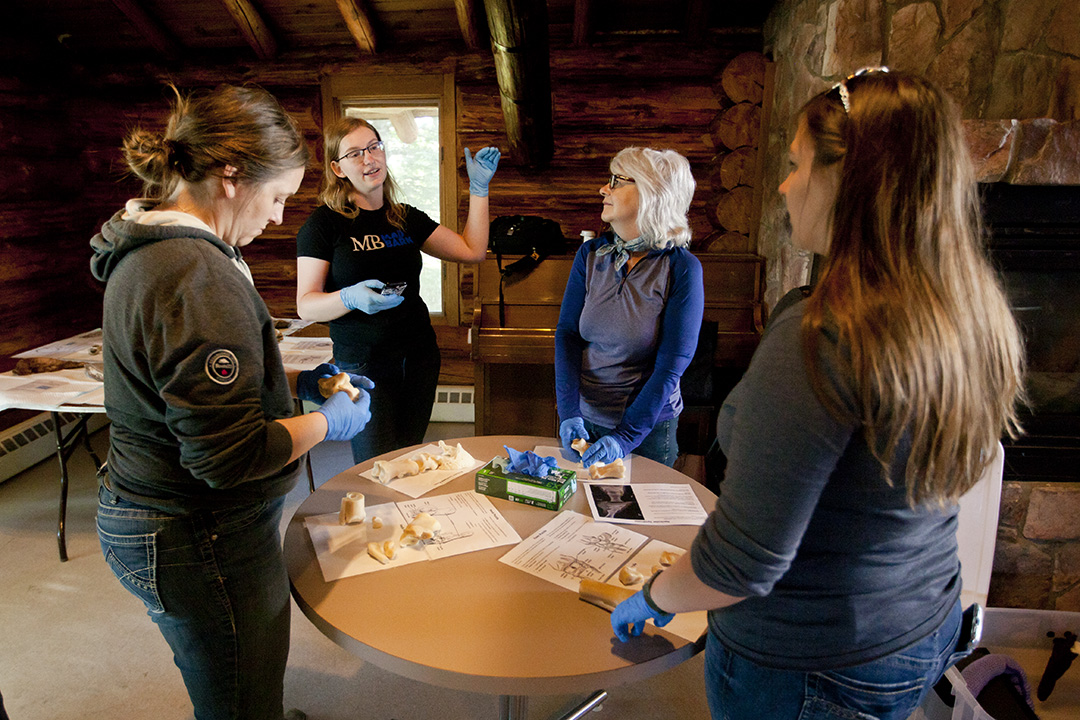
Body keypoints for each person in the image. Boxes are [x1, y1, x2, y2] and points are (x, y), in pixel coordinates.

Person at [608, 69, 1027, 720]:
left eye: (798, 164)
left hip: (813, 667)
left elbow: (742, 563)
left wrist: (659, 596)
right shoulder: (969, 312)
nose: (783, 185)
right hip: (922, 622)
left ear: (846, 179)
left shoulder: (824, 335)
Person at [90, 84, 373, 720]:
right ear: (231, 176)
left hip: (157, 514)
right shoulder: (194, 273)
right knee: (240, 687)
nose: (277, 218)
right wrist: (329, 420)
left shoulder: (159, 252)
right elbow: (229, 454)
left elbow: (188, 387)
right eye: (276, 198)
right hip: (196, 531)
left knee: (225, 667)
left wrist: (294, 387)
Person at [296, 116, 500, 464]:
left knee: (408, 457)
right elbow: (306, 305)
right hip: (365, 363)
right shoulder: (323, 225)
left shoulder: (405, 217)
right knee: (375, 463)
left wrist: (479, 191)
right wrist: (348, 297)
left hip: (418, 356)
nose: (369, 159)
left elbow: (472, 251)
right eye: (356, 153)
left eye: (375, 147)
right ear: (337, 168)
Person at [556, 147, 704, 469]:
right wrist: (569, 414)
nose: (604, 189)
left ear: (652, 194)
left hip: (647, 429)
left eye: (616, 181)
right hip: (585, 418)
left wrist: (625, 437)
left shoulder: (681, 268)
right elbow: (567, 335)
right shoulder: (591, 255)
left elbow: (671, 365)